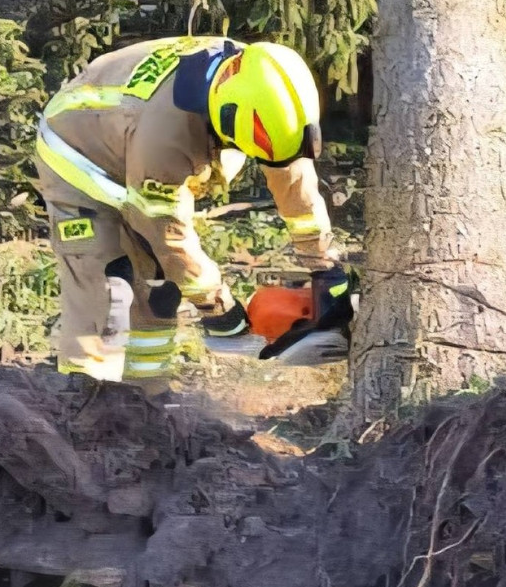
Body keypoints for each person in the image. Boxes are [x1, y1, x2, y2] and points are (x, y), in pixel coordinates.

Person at [31, 35, 349, 386]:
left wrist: (325, 266)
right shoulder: (166, 139)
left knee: (158, 291)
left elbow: (293, 179)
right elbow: (167, 232)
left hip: (129, 145)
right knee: (109, 287)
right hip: (77, 154)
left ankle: (146, 399)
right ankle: (83, 398)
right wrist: (217, 307)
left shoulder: (260, 84)